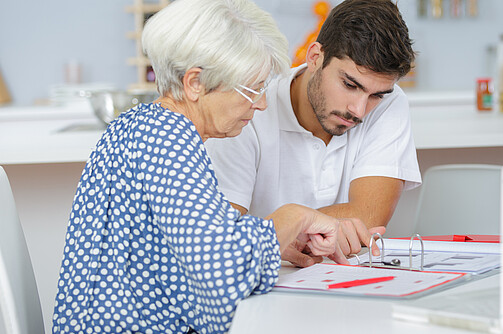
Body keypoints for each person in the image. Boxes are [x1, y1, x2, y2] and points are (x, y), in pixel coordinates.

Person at [52, 0, 359, 333]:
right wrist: (293, 217)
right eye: (252, 88)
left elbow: (200, 247)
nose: (262, 103)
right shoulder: (167, 141)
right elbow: (220, 272)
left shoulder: (138, 125)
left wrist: (275, 236)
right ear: (194, 83)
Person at [205, 0, 422, 266]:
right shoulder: (251, 108)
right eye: (349, 84)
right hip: (265, 283)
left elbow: (368, 215)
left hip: (347, 283)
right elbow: (218, 237)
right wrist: (294, 227)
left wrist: (283, 232)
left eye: (375, 95)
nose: (359, 110)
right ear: (315, 57)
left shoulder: (390, 103)